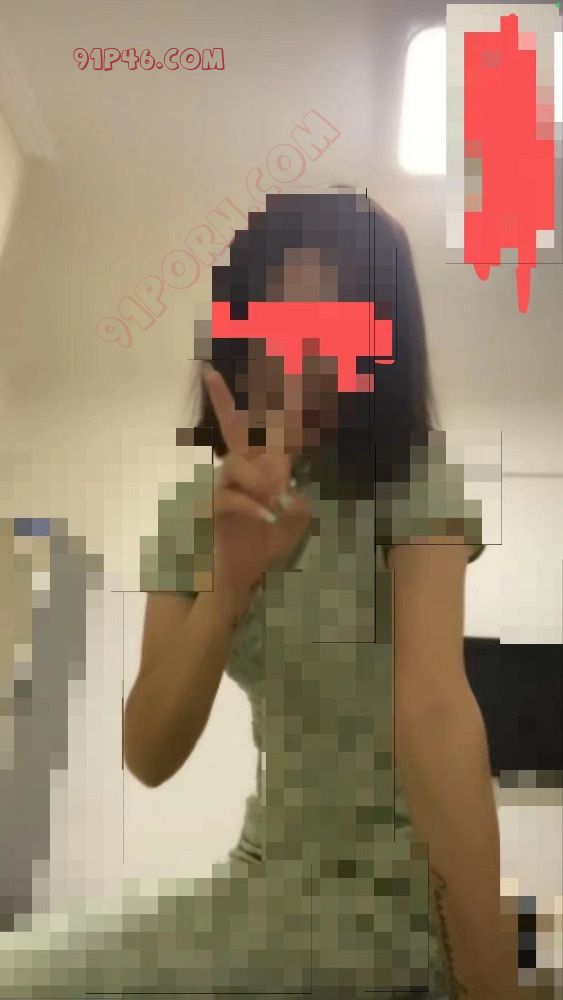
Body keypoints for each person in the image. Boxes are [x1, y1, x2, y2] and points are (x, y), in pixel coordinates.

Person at [1, 191, 516, 1000]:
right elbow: (149, 753)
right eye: (279, 322)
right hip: (264, 873)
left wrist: (488, 978)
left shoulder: (412, 481)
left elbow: (435, 711)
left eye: (339, 327)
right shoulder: (192, 514)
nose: (304, 357)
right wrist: (230, 583)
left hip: (395, 901)